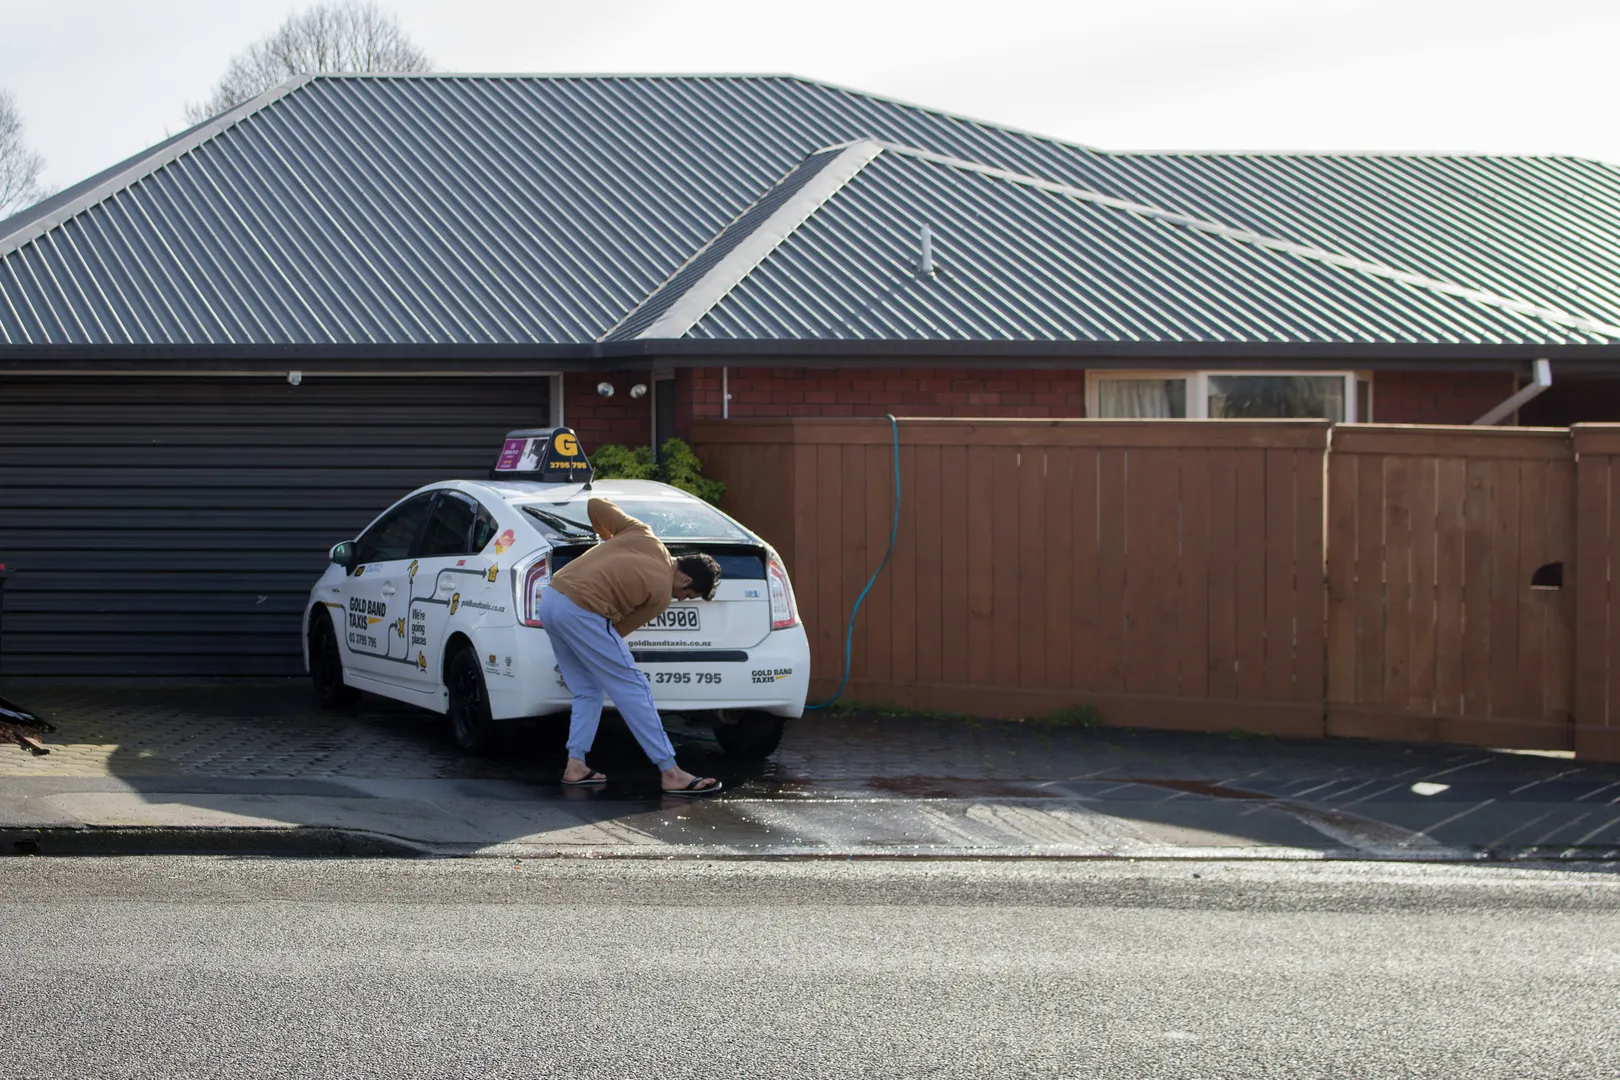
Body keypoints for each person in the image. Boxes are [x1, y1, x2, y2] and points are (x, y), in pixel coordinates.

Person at [538, 497, 724, 794]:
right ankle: (671, 772)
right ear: (685, 578)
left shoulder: (642, 533)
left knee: (588, 688)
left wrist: (610, 543)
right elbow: (616, 630)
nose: (680, 599)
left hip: (552, 598)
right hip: (583, 611)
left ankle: (576, 765)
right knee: (634, 686)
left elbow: (595, 504)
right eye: (688, 595)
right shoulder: (661, 594)